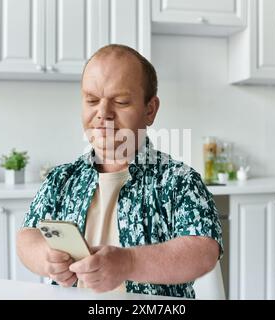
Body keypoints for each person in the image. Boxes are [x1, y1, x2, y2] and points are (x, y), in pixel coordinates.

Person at [17, 44, 223, 298]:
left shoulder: (180, 181)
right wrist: (45, 258)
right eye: (92, 100)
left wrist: (128, 263)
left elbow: (203, 251)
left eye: (121, 101)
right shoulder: (61, 179)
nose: (102, 113)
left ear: (150, 109)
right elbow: (27, 237)